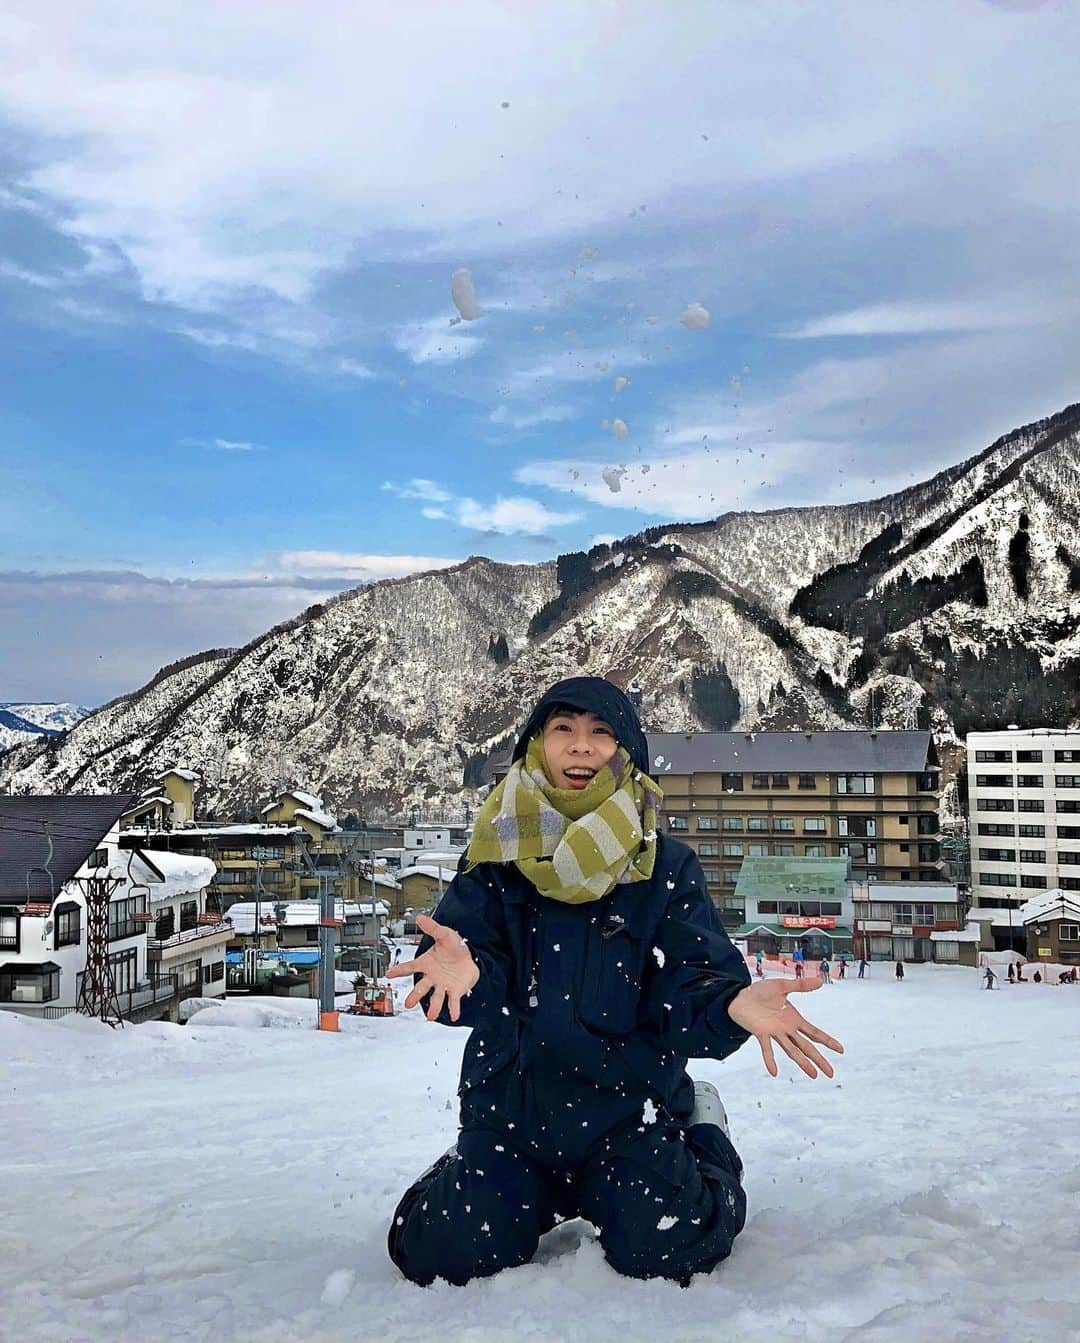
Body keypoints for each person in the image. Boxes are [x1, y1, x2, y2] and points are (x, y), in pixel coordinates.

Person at [385, 677, 844, 1288]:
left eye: (601, 733)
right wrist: (466, 976)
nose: (581, 747)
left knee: (673, 1246)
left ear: (626, 752)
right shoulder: (493, 859)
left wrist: (731, 1004)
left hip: (628, 1111)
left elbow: (694, 979)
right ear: (536, 746)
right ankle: (473, 1171)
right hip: (511, 1115)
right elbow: (457, 971)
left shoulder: (664, 865)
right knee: (440, 1253)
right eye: (563, 731)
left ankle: (703, 1134)